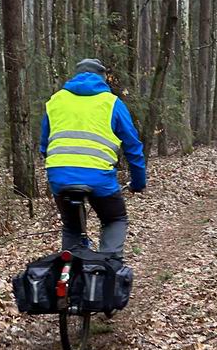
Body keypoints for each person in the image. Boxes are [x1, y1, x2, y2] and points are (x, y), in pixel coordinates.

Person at [40, 58, 146, 259]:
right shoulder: (112, 103)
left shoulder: (56, 100)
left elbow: (44, 146)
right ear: (103, 78)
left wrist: (61, 170)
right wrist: (138, 182)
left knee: (72, 228)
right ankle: (109, 267)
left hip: (60, 176)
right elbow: (133, 147)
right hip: (99, 179)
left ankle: (69, 276)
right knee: (114, 219)